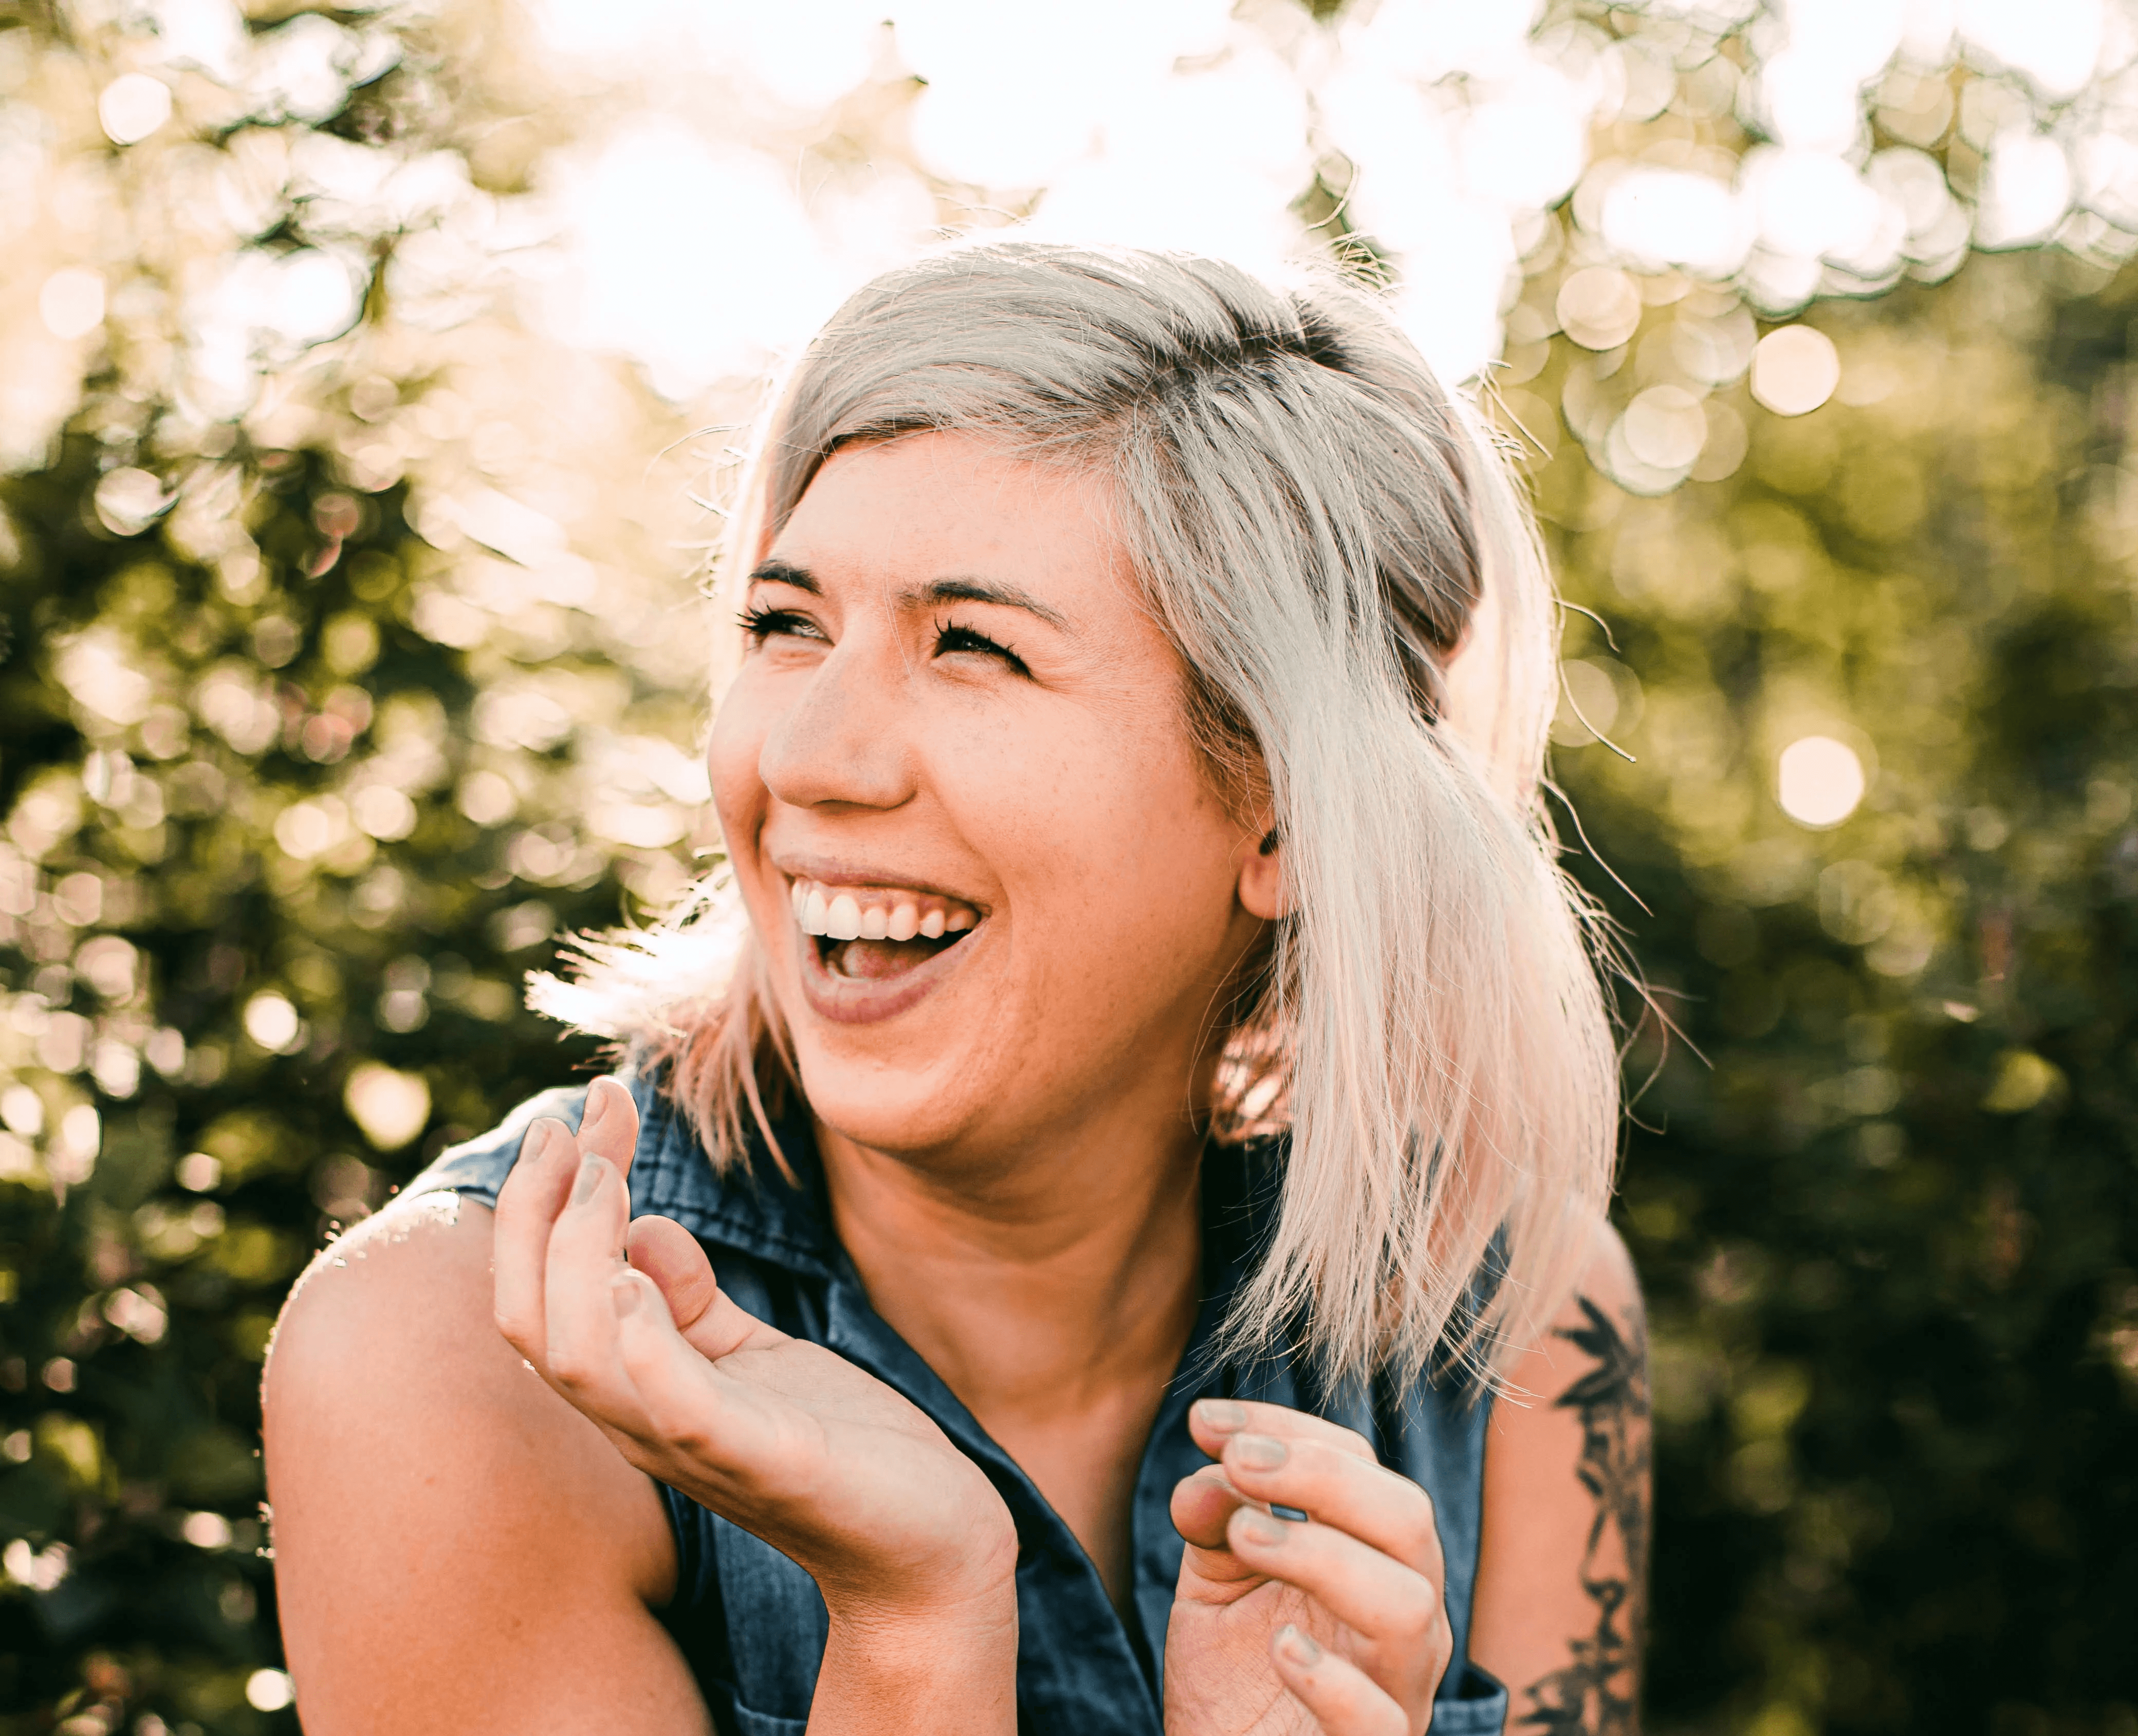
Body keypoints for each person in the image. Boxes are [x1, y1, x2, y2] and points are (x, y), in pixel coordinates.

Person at [263, 244, 1648, 1736]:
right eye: (786, 624)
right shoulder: (455, 1362)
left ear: (1291, 811)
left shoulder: (1521, 1324)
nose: (806, 757)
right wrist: (917, 1620)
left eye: (973, 647)